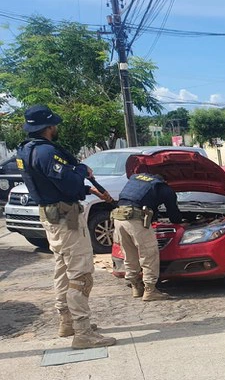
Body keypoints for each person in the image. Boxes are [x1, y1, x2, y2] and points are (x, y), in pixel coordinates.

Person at [16, 105, 117, 349]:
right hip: (66, 218)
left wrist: (87, 189)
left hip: (51, 216)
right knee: (81, 274)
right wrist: (82, 170)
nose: (56, 128)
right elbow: (68, 184)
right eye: (55, 125)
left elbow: (52, 185)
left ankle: (67, 321)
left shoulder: (25, 151)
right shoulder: (47, 153)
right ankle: (83, 332)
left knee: (62, 268)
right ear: (48, 127)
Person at [111, 171, 183, 301]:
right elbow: (174, 216)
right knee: (149, 253)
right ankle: (150, 290)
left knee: (129, 253)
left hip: (119, 218)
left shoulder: (137, 179)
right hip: (136, 219)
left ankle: (136, 287)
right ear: (166, 181)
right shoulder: (165, 189)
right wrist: (181, 220)